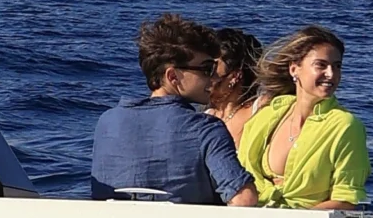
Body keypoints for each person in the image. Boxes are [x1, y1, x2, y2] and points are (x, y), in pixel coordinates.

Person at [88, 14, 256, 205]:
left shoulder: (107, 122)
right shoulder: (207, 129)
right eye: (207, 69)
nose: (213, 78)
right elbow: (244, 199)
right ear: (173, 77)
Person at [238, 25, 370, 208]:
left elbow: (346, 199)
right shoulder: (266, 116)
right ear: (294, 69)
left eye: (337, 66)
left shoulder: (345, 126)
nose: (331, 74)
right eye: (321, 65)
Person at [206, 26, 264, 144]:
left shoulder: (259, 111)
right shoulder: (207, 116)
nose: (203, 74)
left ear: (235, 76)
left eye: (210, 67)